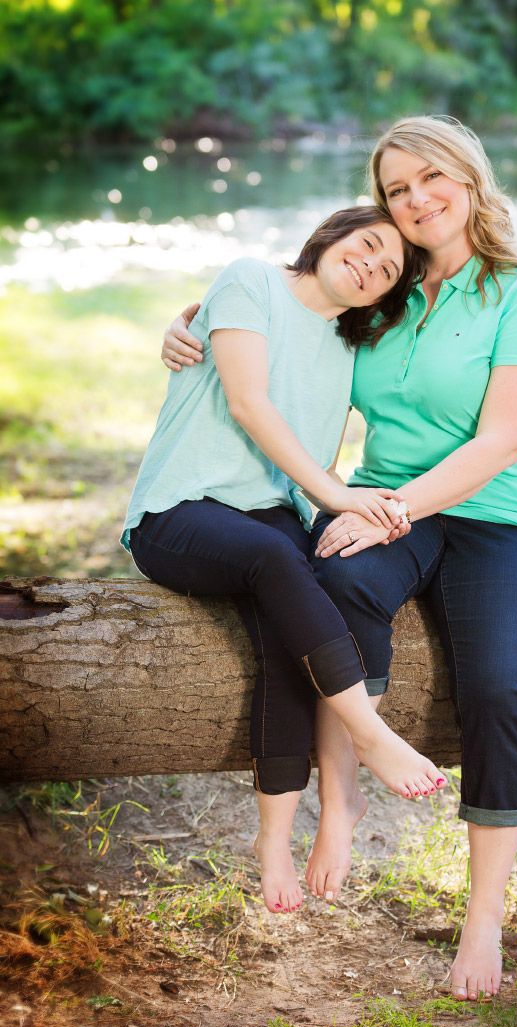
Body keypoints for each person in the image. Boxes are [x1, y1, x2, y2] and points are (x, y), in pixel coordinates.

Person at [161, 116, 517, 1002]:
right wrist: (189, 320)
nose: (415, 200)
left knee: (502, 685)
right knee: (337, 578)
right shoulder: (382, 288)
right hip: (392, 508)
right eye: (396, 189)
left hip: (503, 517)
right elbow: (285, 299)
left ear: (469, 178)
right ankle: (341, 810)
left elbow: (505, 438)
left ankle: (484, 915)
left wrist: (389, 509)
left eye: (431, 179)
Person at [123, 205, 446, 917]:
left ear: (381, 298)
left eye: (386, 271)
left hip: (267, 518)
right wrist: (336, 495)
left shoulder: (347, 346)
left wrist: (351, 502)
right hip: (179, 511)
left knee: (284, 635)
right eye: (365, 246)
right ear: (330, 235)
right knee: (277, 555)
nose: (369, 266)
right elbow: (246, 400)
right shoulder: (248, 280)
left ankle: (273, 841)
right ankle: (369, 732)